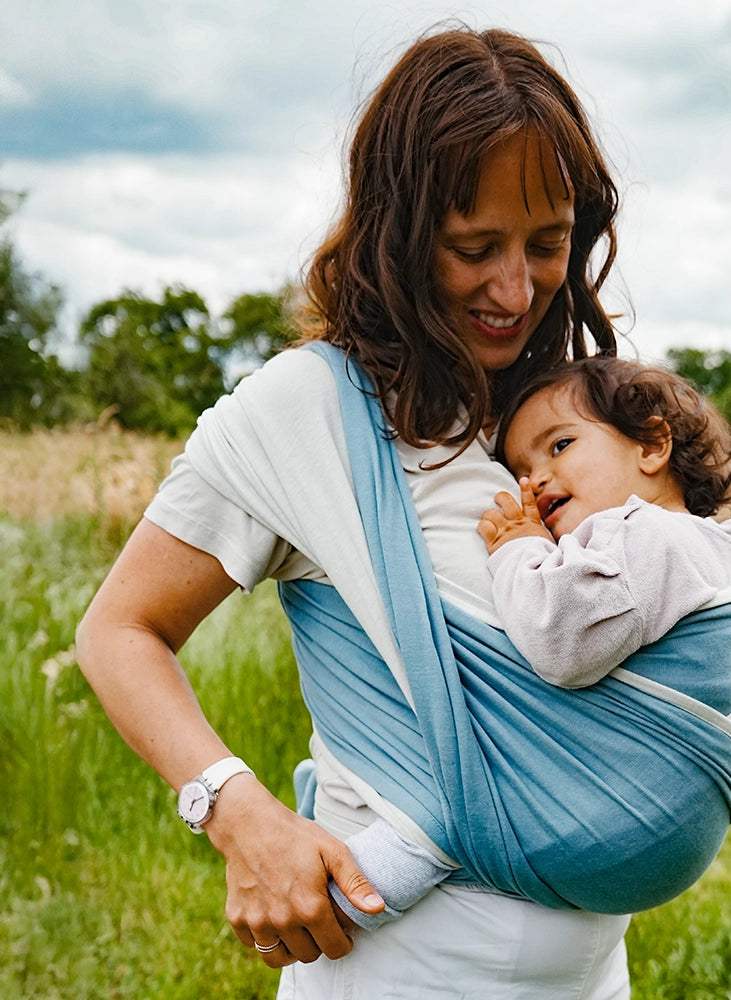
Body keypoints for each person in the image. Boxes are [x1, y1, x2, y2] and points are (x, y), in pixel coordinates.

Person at [76, 23, 639, 1000]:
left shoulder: (567, 416)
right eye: (475, 249)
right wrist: (236, 811)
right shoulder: (306, 412)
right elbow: (121, 629)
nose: (516, 288)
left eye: (546, 245)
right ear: (400, 232)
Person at [326, 356, 731, 931]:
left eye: (559, 445)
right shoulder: (720, 549)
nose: (533, 479)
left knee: (456, 808)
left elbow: (558, 642)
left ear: (652, 445)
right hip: (673, 836)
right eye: (519, 466)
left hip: (617, 819)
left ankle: (342, 902)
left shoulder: (647, 537)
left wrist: (519, 547)